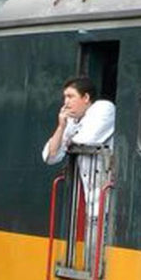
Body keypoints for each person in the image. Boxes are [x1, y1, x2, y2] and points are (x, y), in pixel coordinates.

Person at [41, 76, 116, 261]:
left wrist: (67, 140)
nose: (66, 102)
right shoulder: (71, 121)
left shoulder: (104, 109)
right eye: (64, 97)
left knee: (103, 258)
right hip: (93, 203)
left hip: (111, 202)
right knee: (93, 255)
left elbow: (84, 141)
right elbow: (50, 156)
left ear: (86, 98)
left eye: (70, 96)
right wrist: (61, 127)